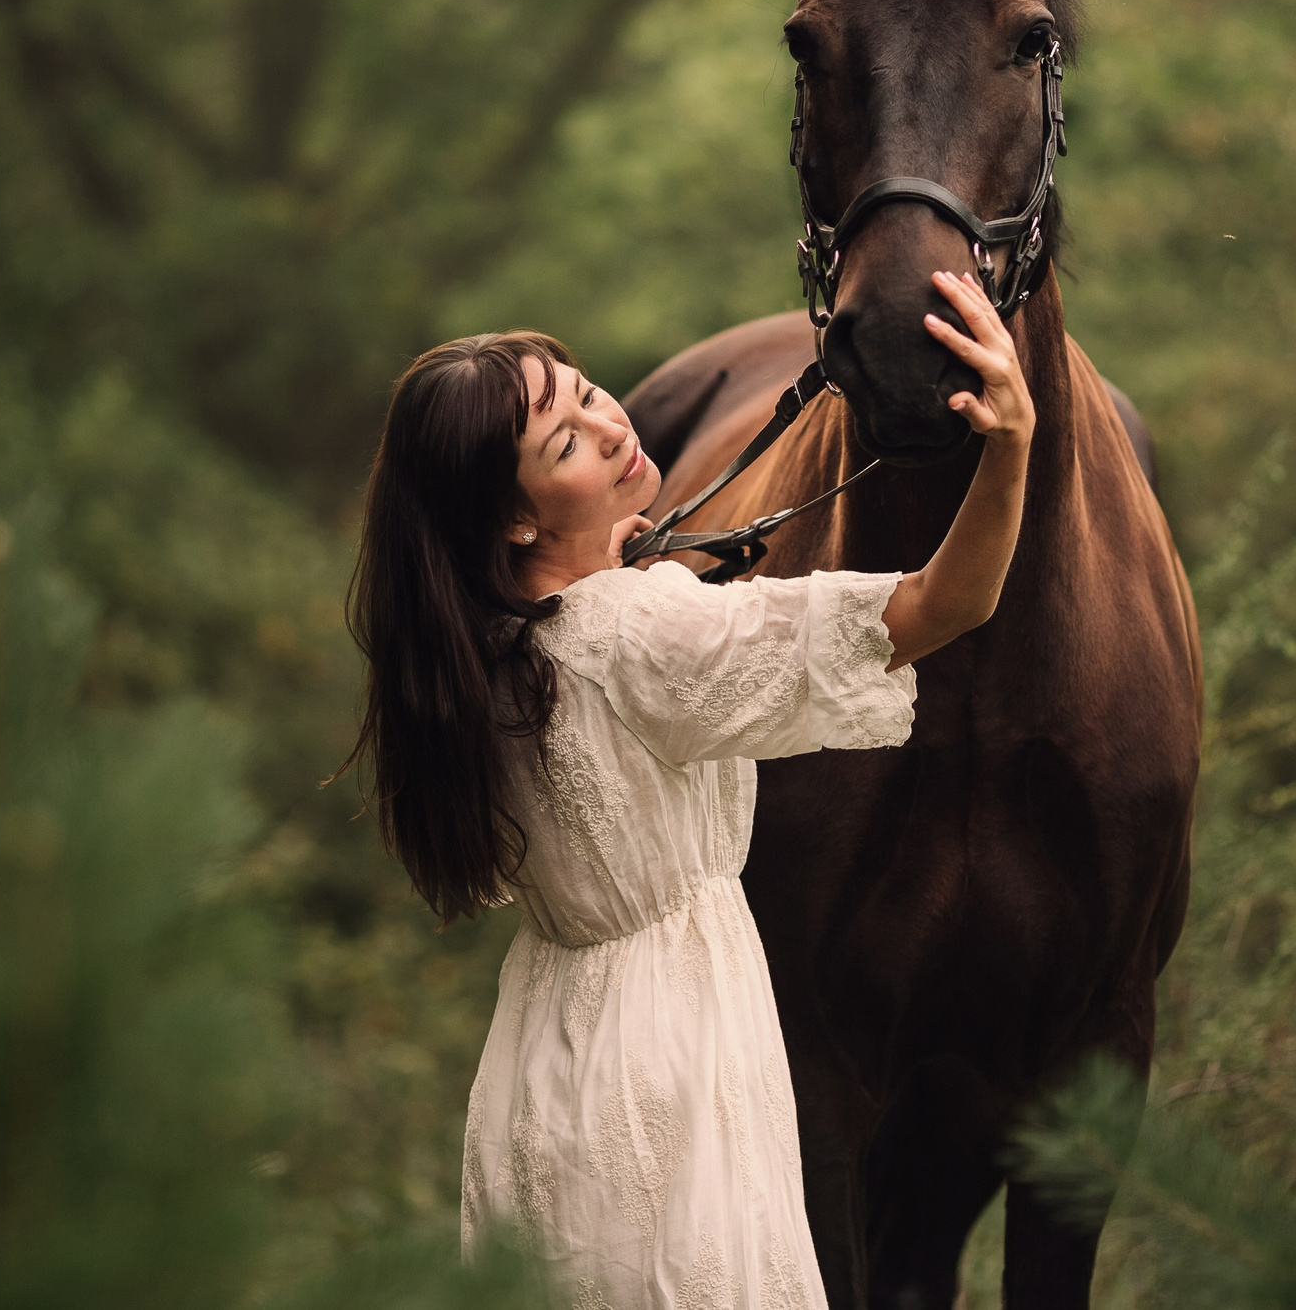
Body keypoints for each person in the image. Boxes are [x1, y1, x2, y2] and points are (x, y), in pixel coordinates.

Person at [346, 270, 1035, 1310]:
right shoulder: (641, 632)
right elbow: (945, 604)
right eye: (565, 444)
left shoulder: (475, 653)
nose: (607, 421)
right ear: (514, 522)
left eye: (583, 392)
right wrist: (1013, 445)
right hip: (674, 1055)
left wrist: (610, 563)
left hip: (547, 1059)